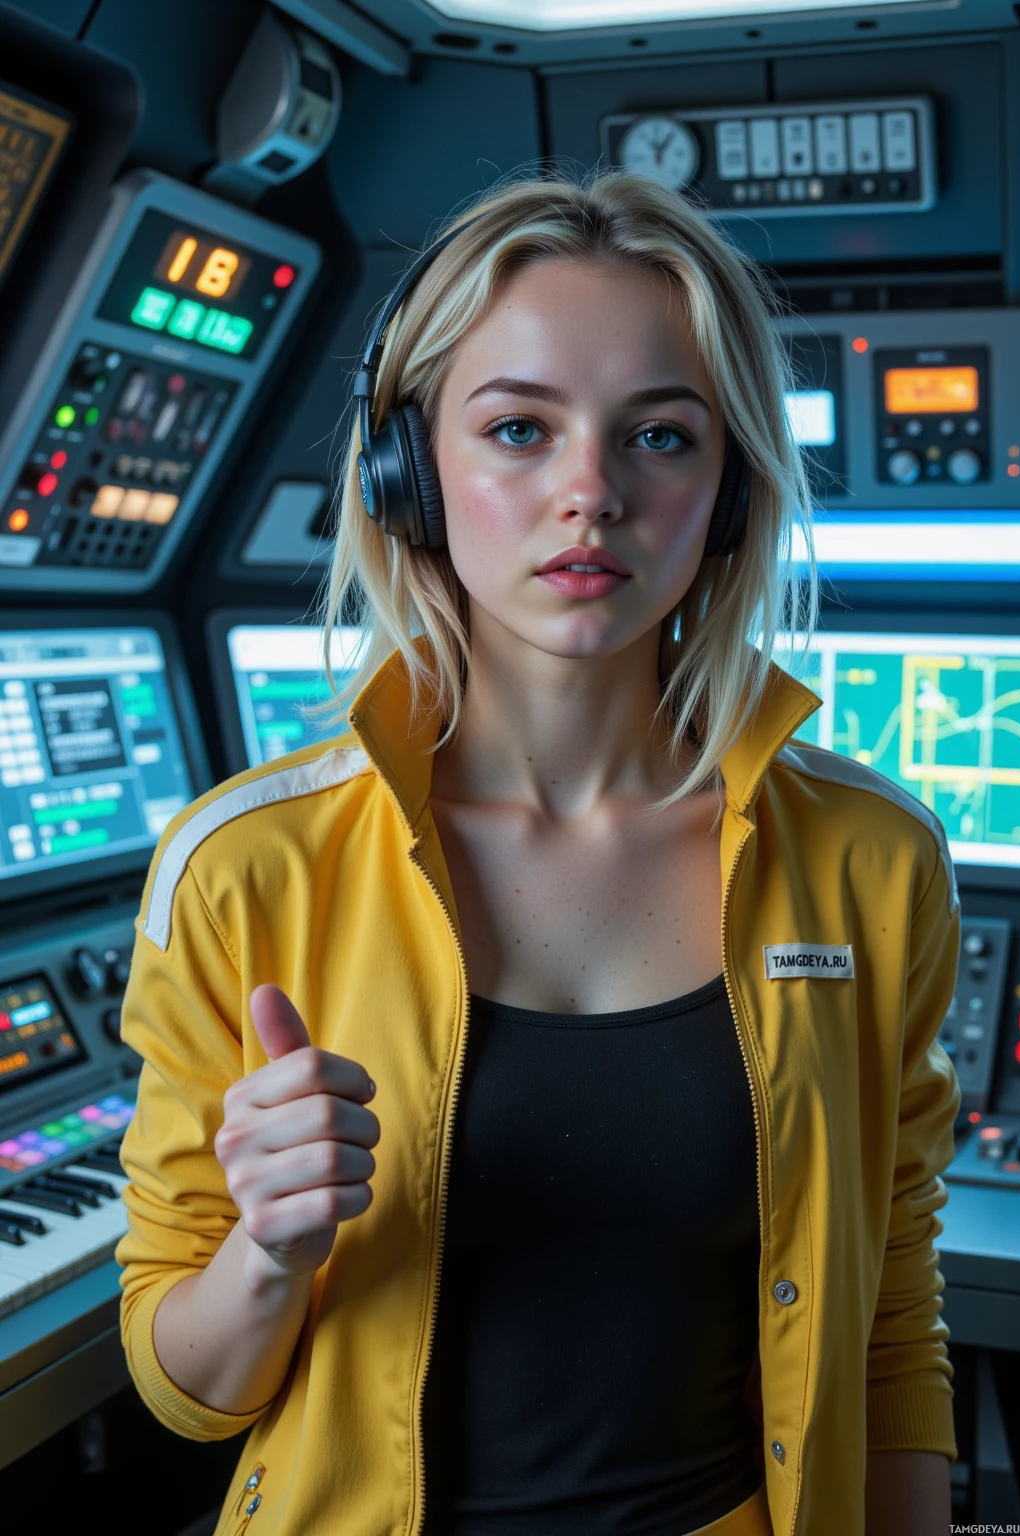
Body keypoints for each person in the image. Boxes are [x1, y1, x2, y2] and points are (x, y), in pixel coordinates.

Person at [117, 169, 961, 1536]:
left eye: (662, 437)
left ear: (729, 491)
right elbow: (182, 1389)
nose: (592, 493)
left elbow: (892, 1315)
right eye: (518, 428)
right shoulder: (240, 870)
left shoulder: (874, 858)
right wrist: (268, 1253)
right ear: (410, 472)